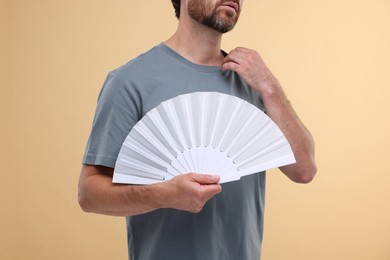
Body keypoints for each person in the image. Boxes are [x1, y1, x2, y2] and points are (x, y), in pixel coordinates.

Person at [78, 0, 317, 259]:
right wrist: (163, 195)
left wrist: (269, 86)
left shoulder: (253, 82)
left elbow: (304, 170)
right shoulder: (129, 82)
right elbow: (89, 194)